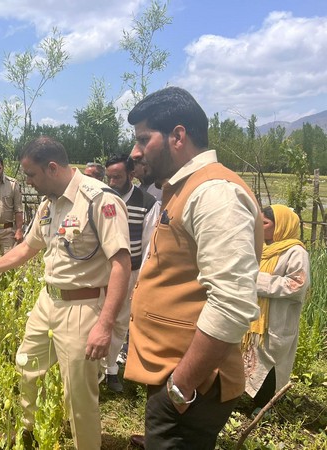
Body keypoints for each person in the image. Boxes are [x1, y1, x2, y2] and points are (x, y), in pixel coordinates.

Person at [0, 136, 131, 449]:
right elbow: (27, 248)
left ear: (52, 168)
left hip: (83, 307)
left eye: (32, 175)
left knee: (77, 394)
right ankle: (32, 432)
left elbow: (121, 264)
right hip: (47, 301)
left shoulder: (98, 200)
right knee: (26, 366)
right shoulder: (49, 204)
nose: (28, 182)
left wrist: (105, 325)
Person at [123, 87, 264, 450]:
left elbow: (232, 304)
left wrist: (181, 386)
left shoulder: (214, 193)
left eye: (143, 139)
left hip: (191, 385)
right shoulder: (184, 188)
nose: (135, 152)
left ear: (178, 136)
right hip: (178, 376)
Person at [242, 204, 310, 416]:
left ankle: (265, 406)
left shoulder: (295, 252)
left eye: (265, 223)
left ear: (280, 225)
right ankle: (249, 397)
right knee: (252, 354)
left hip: (277, 319)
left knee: (271, 360)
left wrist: (256, 281)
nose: (260, 228)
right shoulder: (261, 246)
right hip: (256, 317)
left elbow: (297, 285)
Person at [102, 153, 159, 393]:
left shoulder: (146, 202)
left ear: (131, 175)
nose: (112, 182)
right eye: (109, 177)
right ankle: (92, 369)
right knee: (95, 319)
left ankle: (111, 369)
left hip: (130, 273)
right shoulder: (100, 199)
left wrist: (142, 280)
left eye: (117, 177)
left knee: (119, 323)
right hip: (101, 272)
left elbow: (148, 245)